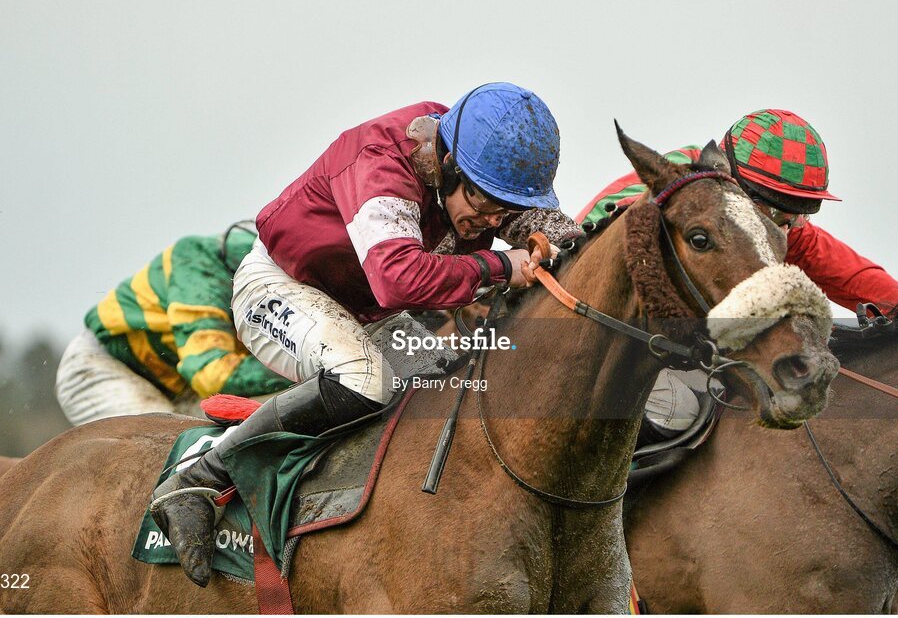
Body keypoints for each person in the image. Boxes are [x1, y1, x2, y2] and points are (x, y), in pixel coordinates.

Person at [149, 82, 582, 586]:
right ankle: (198, 481)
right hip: (280, 286)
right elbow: (398, 280)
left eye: (503, 212)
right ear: (447, 165)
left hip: (365, 314)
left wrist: (568, 245)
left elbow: (559, 234)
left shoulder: (479, 168)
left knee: (451, 385)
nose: (489, 221)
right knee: (364, 379)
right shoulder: (383, 160)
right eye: (484, 203)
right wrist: (499, 265)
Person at [578, 108, 898, 439]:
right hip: (608, 343)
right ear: (735, 181)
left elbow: (861, 281)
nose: (790, 223)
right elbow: (589, 233)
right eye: (778, 208)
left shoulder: (785, 227)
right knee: (677, 411)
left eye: (801, 211)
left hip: (684, 347)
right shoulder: (679, 180)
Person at [55, 226, 292, 426]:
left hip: (182, 387)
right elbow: (211, 375)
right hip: (106, 368)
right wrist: (301, 366)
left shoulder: (274, 270)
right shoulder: (200, 263)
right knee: (163, 452)